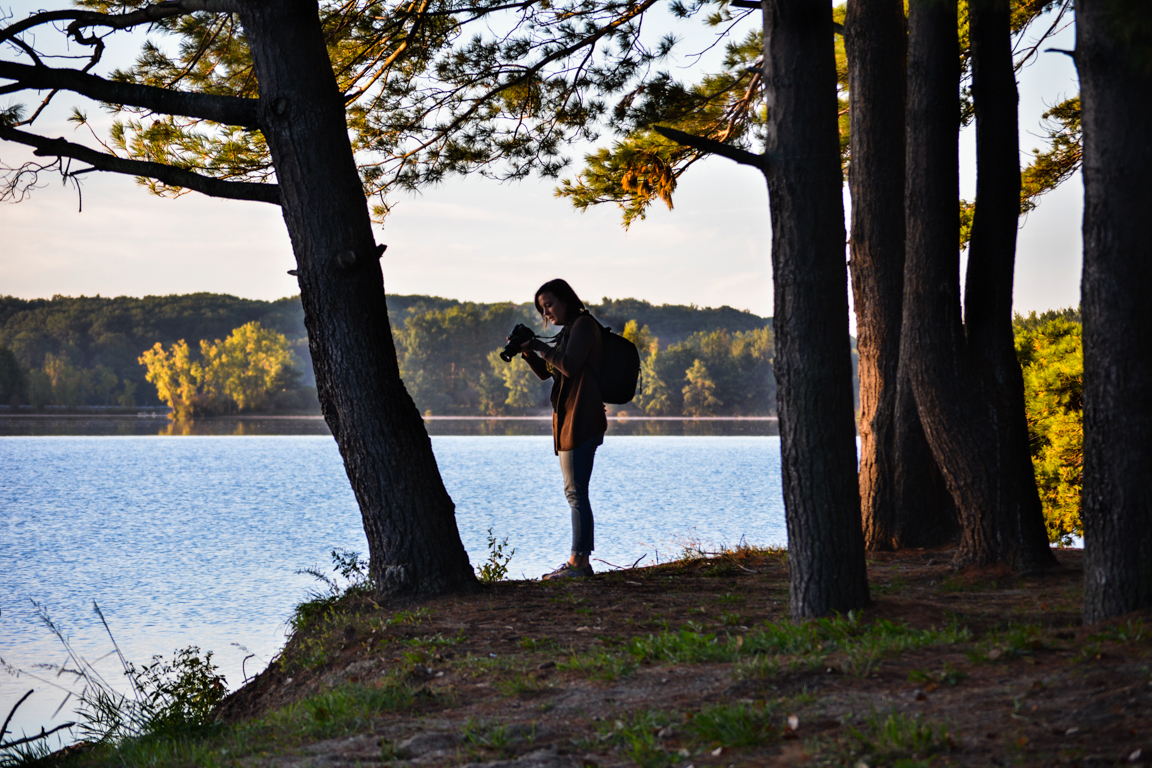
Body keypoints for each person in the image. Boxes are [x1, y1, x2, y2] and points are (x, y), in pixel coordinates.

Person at [518, 279, 606, 580]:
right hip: (571, 420)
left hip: (582, 418)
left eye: (550, 305)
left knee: (576, 493)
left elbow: (568, 365)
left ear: (566, 300)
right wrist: (529, 351)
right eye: (543, 309)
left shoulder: (583, 325)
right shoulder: (570, 331)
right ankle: (579, 562)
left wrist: (540, 345)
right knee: (575, 492)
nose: (547, 312)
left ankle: (578, 565)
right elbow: (548, 373)